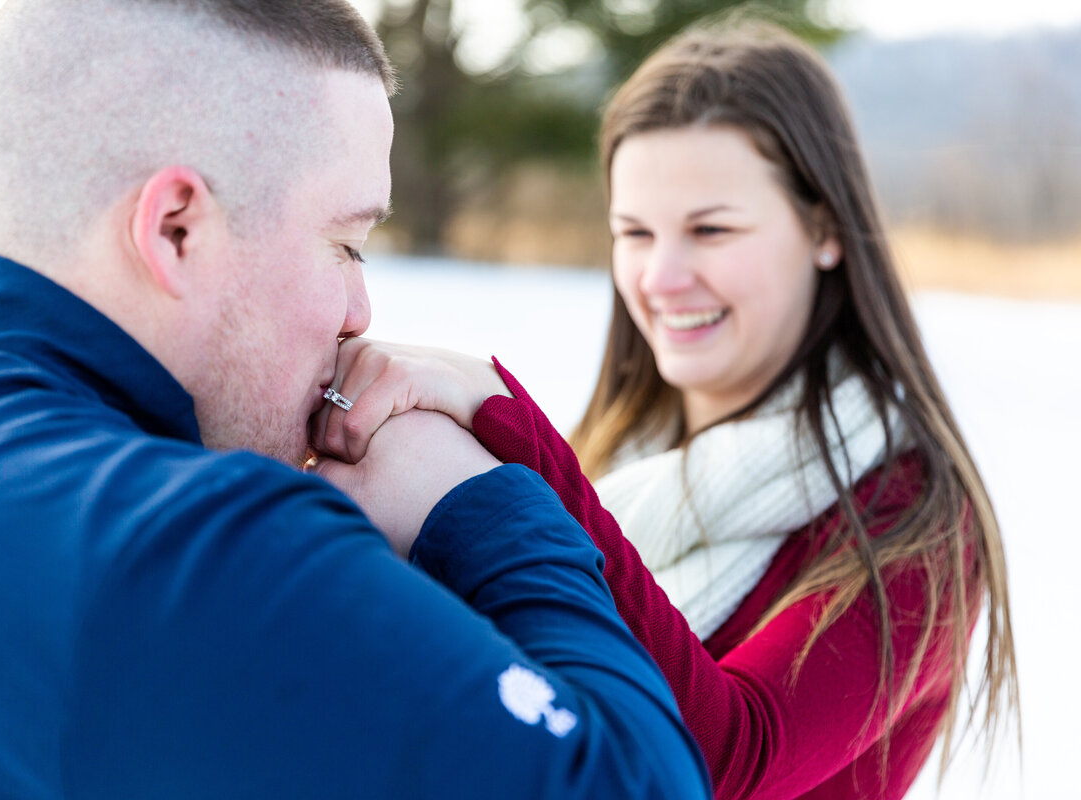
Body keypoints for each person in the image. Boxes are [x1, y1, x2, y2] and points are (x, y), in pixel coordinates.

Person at [0, 1, 713, 797]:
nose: (361, 311)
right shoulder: (196, 546)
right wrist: (476, 506)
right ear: (176, 227)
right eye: (346, 243)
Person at [311, 20, 1019, 800]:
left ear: (823, 229)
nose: (661, 275)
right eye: (635, 233)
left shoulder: (910, 516)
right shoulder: (621, 462)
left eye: (710, 230)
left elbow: (718, 759)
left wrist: (509, 432)